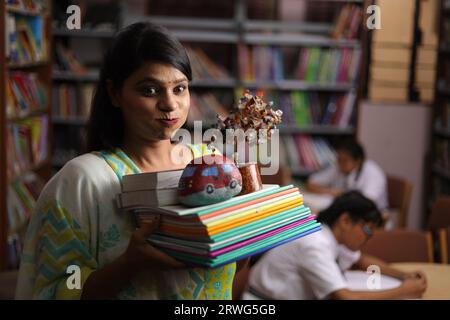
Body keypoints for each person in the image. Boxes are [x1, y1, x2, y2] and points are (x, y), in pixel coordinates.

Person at [15, 22, 242, 300]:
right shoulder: (83, 180)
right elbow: (55, 290)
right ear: (114, 93)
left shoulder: (213, 165)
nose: (170, 104)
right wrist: (130, 264)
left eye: (179, 89)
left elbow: (232, 270)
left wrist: (250, 226)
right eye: (149, 90)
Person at [242, 191, 427, 300]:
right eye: (367, 230)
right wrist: (404, 290)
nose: (369, 238)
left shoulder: (329, 234)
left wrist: (404, 275)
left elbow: (362, 261)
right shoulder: (315, 244)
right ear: (345, 221)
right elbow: (345, 297)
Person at [306, 138, 388, 211]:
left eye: (345, 160)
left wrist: (342, 196)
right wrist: (332, 192)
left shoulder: (373, 173)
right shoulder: (338, 167)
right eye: (338, 159)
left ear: (358, 160)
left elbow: (367, 203)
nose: (340, 163)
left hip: (370, 215)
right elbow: (311, 183)